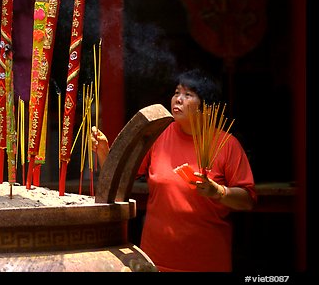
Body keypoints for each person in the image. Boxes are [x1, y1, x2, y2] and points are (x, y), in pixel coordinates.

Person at [91, 68, 256, 272]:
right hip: (157, 257)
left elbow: (247, 200)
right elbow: (121, 178)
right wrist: (104, 152)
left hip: (207, 261)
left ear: (206, 106)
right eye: (176, 92)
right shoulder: (157, 135)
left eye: (188, 95)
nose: (178, 99)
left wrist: (218, 192)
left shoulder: (226, 144)